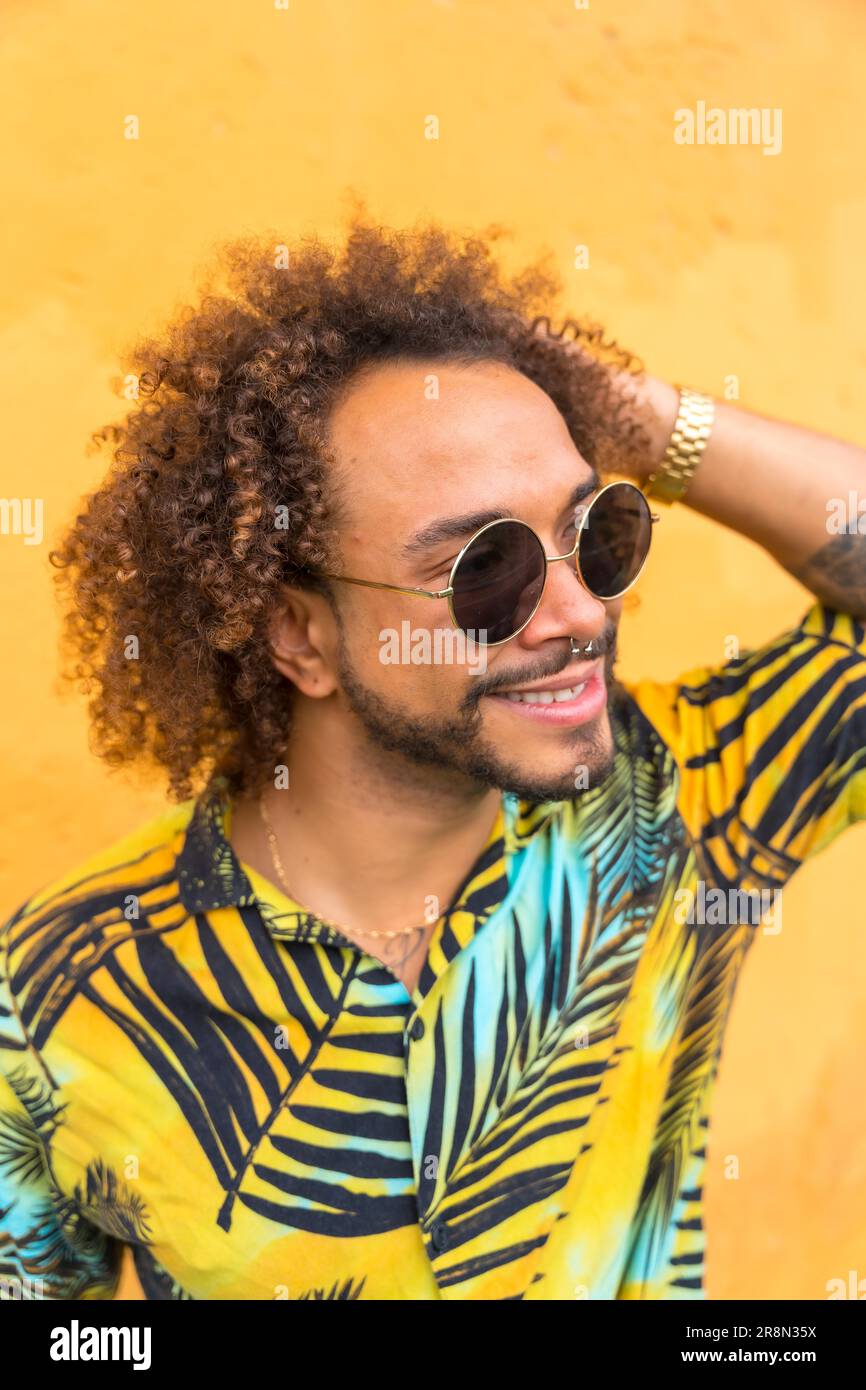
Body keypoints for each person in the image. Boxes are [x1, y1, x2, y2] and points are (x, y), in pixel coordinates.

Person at [1, 216, 864, 1302]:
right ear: (299, 638)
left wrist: (634, 424)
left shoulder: (676, 803)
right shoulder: (56, 998)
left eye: (593, 529)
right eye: (484, 570)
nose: (577, 611)